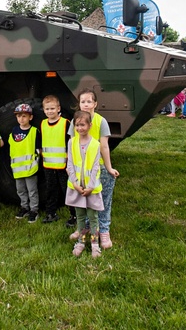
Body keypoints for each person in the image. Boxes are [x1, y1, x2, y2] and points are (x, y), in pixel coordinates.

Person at [68, 89, 120, 249]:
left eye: (89, 101)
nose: (86, 104)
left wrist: (109, 167)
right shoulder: (74, 121)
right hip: (81, 171)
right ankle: (84, 229)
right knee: (83, 202)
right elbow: (72, 144)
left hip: (98, 168)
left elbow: (104, 146)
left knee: (102, 201)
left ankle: (104, 231)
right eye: (82, 101)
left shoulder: (100, 121)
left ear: (95, 104)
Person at [66, 110, 104, 258]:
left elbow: (95, 167)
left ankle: (95, 244)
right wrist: (75, 183)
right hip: (77, 188)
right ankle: (81, 242)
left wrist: (90, 187)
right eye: (77, 125)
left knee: (93, 217)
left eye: (82, 125)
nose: (80, 128)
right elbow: (69, 164)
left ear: (90, 125)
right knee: (80, 216)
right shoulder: (72, 142)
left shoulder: (95, 144)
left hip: (91, 189)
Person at [40, 95, 75, 225]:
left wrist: (69, 162)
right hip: (48, 165)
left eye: (52, 108)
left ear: (58, 108)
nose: (50, 111)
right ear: (44, 110)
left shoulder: (65, 123)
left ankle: (74, 215)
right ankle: (51, 213)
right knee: (50, 189)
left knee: (67, 189)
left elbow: (70, 143)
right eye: (47, 109)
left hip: (63, 165)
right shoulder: (43, 124)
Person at [9, 103, 41, 223]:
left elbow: (39, 149)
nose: (21, 119)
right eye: (18, 116)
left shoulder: (34, 131)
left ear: (30, 117)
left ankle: (34, 210)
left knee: (32, 191)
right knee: (21, 190)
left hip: (30, 168)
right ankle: (24, 207)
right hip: (17, 169)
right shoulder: (14, 131)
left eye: (24, 116)